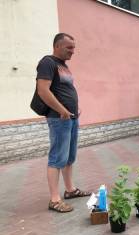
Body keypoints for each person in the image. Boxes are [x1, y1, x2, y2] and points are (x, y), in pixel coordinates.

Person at [36, 33, 91, 213]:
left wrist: (75, 107)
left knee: (69, 157)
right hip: (59, 118)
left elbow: (65, 89)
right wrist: (61, 110)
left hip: (71, 117)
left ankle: (70, 190)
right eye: (69, 47)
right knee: (57, 158)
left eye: (74, 47)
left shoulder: (63, 66)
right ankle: (54, 199)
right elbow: (43, 91)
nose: (73, 51)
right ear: (57, 46)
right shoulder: (48, 63)